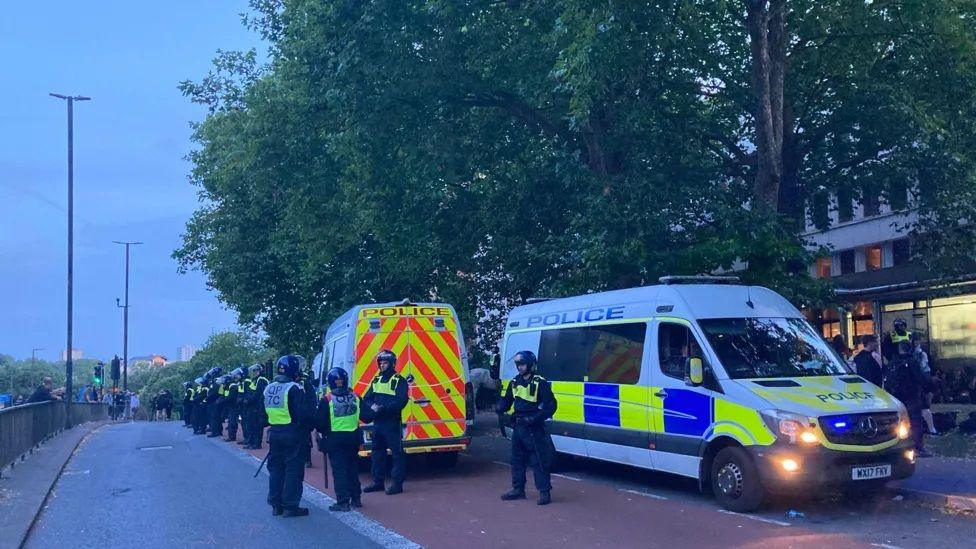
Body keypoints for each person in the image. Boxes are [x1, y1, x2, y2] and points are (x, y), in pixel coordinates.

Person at [497, 350, 558, 505]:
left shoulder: (540, 382)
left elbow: (550, 406)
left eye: (522, 364)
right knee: (516, 459)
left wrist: (534, 418)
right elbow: (508, 400)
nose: (520, 368)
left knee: (538, 459)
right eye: (518, 365)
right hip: (518, 426)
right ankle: (518, 490)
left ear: (530, 365)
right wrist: (500, 407)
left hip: (533, 427)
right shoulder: (515, 382)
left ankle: (544, 492)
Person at [264, 355, 315, 517]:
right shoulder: (294, 388)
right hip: (292, 433)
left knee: (276, 469)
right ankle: (290, 506)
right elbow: (303, 413)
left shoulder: (269, 387)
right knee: (293, 470)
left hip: (274, 432)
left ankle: (275, 505)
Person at [361, 349, 409, 496]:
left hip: (391, 422)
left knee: (397, 453)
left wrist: (385, 409)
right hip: (378, 423)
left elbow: (402, 400)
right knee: (377, 452)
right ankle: (377, 482)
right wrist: (373, 407)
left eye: (385, 362)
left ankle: (397, 483)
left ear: (392, 363)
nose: (382, 365)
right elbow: (367, 397)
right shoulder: (376, 380)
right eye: (381, 362)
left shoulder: (399, 380)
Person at [315, 367, 363, 512]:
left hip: (335, 439)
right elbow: (367, 416)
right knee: (353, 468)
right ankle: (356, 498)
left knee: (339, 470)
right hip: (354, 437)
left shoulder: (327, 400)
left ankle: (343, 502)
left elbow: (320, 424)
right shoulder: (356, 397)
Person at [885, 342, 934, 457]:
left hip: (896, 397)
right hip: (911, 395)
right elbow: (921, 377)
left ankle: (897, 446)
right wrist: (930, 387)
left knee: (898, 423)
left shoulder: (892, 363)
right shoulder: (912, 361)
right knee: (916, 422)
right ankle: (917, 447)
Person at [913, 336, 938, 435]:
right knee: (924, 407)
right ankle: (930, 428)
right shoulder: (918, 353)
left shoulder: (921, 354)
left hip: (922, 381)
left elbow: (924, 367)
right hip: (921, 381)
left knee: (925, 406)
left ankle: (930, 428)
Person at [243, 364, 269, 449]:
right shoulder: (255, 380)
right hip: (253, 406)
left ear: (260, 371)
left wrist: (248, 400)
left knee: (257, 426)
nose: (254, 372)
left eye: (256, 371)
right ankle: (251, 442)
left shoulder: (262, 380)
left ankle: (257, 444)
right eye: (253, 371)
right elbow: (250, 391)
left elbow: (258, 394)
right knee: (251, 425)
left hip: (258, 407)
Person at [224, 371, 242, 442]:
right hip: (231, 407)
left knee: (232, 422)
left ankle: (232, 436)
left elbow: (230, 397)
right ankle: (231, 436)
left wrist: (223, 400)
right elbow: (226, 396)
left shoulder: (233, 387)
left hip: (234, 407)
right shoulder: (229, 387)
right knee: (231, 421)